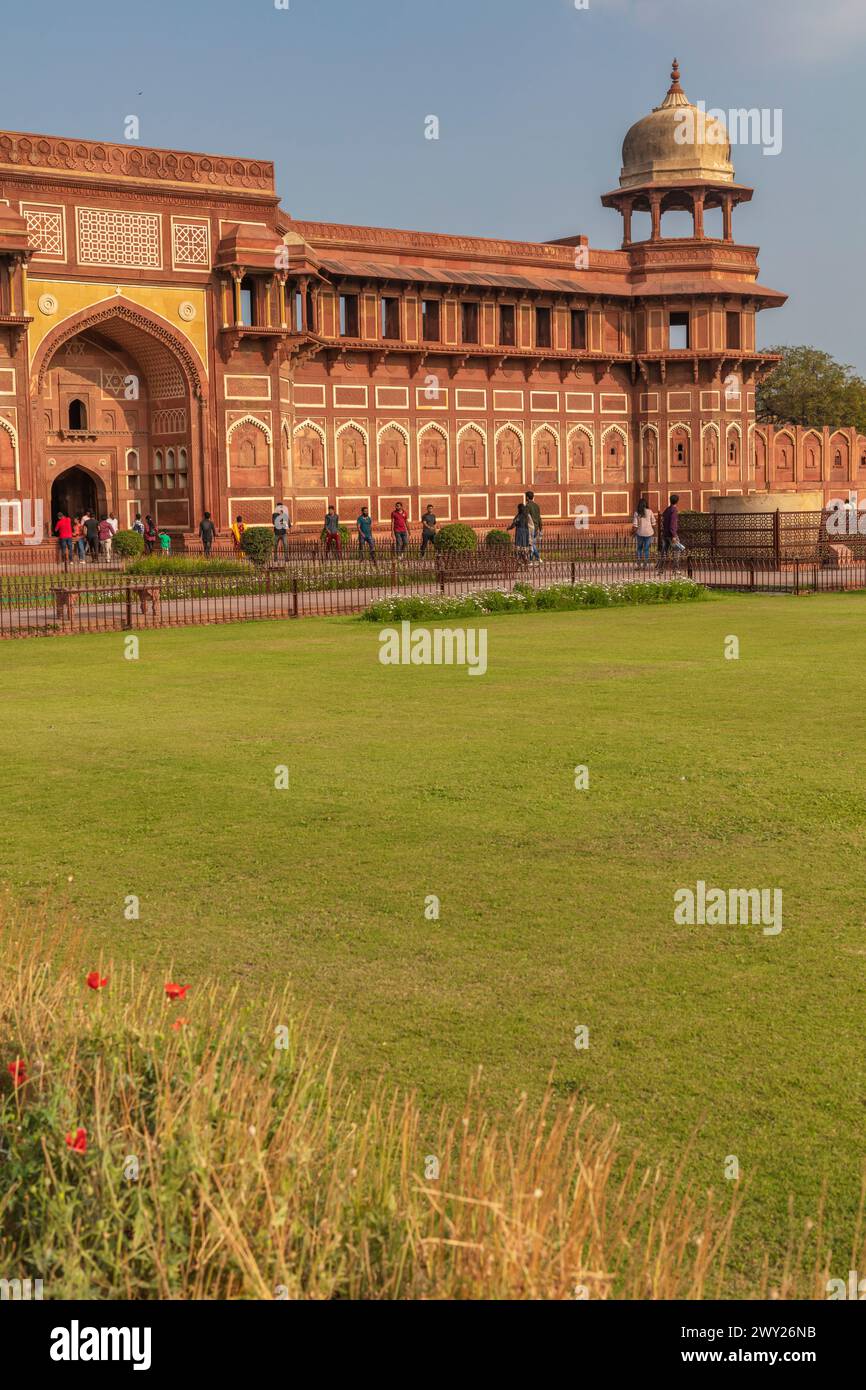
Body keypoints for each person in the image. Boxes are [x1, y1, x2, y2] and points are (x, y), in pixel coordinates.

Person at [659, 493, 685, 569]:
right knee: (676, 551)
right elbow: (672, 523)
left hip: (665, 534)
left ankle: (661, 568)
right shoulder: (674, 510)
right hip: (671, 534)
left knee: (664, 552)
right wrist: (674, 535)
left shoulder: (667, 509)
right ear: (677, 501)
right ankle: (675, 569)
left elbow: (663, 519)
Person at [633, 496, 656, 566]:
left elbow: (635, 525)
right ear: (646, 504)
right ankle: (645, 562)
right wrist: (655, 531)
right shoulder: (650, 511)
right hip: (649, 533)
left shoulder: (637, 513)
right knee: (646, 548)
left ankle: (639, 562)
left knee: (639, 548)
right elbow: (654, 522)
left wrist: (633, 532)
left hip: (640, 533)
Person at [525, 490, 542, 563]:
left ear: (527, 497)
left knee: (531, 544)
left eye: (526, 497)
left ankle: (537, 558)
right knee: (532, 544)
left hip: (530, 527)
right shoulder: (537, 506)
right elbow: (539, 518)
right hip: (537, 527)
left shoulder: (527, 506)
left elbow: (526, 517)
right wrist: (541, 528)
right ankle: (532, 559)